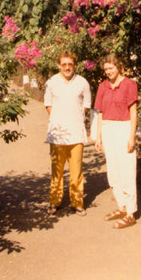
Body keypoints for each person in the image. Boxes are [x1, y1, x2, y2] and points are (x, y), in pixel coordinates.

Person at [44, 50, 91, 216]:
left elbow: (85, 106)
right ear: (59, 65)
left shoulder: (83, 83)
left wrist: (73, 120)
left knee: (76, 171)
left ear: (74, 65)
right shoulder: (51, 82)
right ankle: (54, 202)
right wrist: (60, 122)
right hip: (57, 134)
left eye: (70, 64)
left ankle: (77, 203)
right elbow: (48, 105)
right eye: (64, 64)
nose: (67, 67)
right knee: (56, 171)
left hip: (76, 134)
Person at [94, 53, 138, 228]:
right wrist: (98, 136)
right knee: (113, 171)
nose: (108, 71)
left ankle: (131, 213)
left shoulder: (129, 85)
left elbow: (133, 112)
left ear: (118, 67)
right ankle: (121, 206)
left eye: (111, 68)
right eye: (106, 69)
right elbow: (100, 113)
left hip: (124, 128)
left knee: (127, 170)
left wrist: (132, 136)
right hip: (107, 128)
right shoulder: (103, 86)